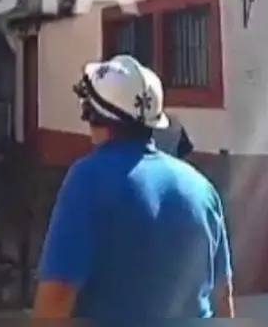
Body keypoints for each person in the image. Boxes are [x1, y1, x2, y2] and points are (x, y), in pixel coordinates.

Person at [33, 55, 234, 320]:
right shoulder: (203, 188)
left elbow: (56, 297)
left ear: (93, 115)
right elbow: (223, 295)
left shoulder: (86, 180)